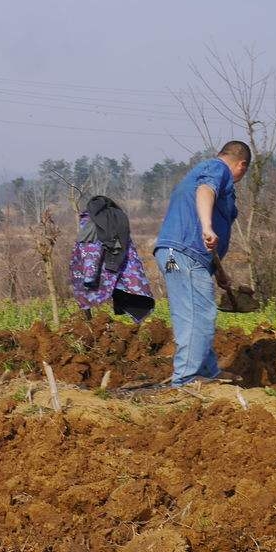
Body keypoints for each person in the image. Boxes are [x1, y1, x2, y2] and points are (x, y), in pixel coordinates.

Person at [152, 141, 250, 387]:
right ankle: (185, 379)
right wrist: (207, 227)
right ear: (242, 165)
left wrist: (218, 272)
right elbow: (205, 190)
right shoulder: (218, 169)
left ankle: (208, 371)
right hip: (184, 255)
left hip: (173, 257)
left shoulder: (204, 170)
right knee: (199, 312)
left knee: (190, 311)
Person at [70, 193, 155, 326]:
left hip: (104, 270)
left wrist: (89, 278)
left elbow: (89, 254)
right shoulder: (118, 219)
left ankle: (91, 326)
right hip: (123, 269)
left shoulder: (89, 224)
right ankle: (142, 327)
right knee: (135, 298)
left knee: (87, 298)